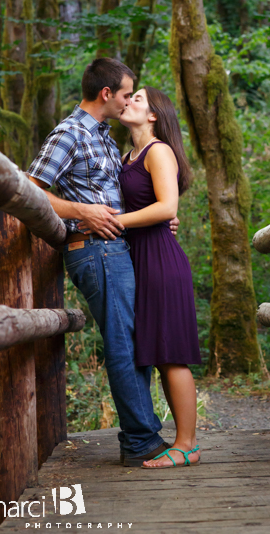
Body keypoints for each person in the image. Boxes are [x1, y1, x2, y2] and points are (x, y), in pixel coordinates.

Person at [27, 58, 170, 467]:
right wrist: (81, 211)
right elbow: (30, 189)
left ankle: (140, 435)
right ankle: (142, 440)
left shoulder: (105, 137)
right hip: (94, 250)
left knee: (130, 337)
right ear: (106, 93)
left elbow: (117, 196)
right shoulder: (69, 134)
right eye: (126, 94)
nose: (129, 101)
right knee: (123, 341)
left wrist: (164, 213)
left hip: (116, 250)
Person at [101, 86, 202, 468]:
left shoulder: (158, 150)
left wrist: (112, 222)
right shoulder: (126, 155)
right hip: (137, 259)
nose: (129, 102)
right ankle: (180, 440)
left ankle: (187, 445)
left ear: (155, 114)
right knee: (155, 353)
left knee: (171, 354)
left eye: (138, 99)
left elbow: (167, 206)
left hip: (159, 261)